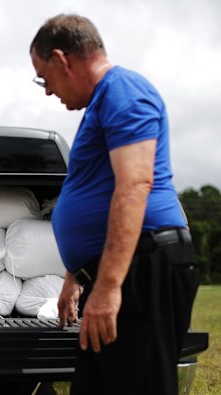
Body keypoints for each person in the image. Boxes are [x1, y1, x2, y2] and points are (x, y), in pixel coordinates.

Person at [30, 14, 200, 394]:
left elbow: (135, 184)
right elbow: (102, 191)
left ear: (62, 59)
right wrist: (77, 275)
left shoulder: (123, 91)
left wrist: (108, 286)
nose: (46, 91)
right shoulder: (104, 102)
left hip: (142, 267)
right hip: (122, 269)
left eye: (44, 78)